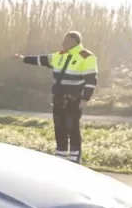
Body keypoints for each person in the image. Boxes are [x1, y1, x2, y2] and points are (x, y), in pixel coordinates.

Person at [15, 31, 98, 163]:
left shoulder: (87, 57)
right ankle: (61, 154)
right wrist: (24, 59)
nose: (62, 43)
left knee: (72, 126)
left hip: (73, 98)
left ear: (74, 41)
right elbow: (42, 60)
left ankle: (74, 156)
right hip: (58, 97)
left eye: (66, 41)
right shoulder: (60, 55)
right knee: (59, 126)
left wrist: (85, 98)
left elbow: (91, 80)